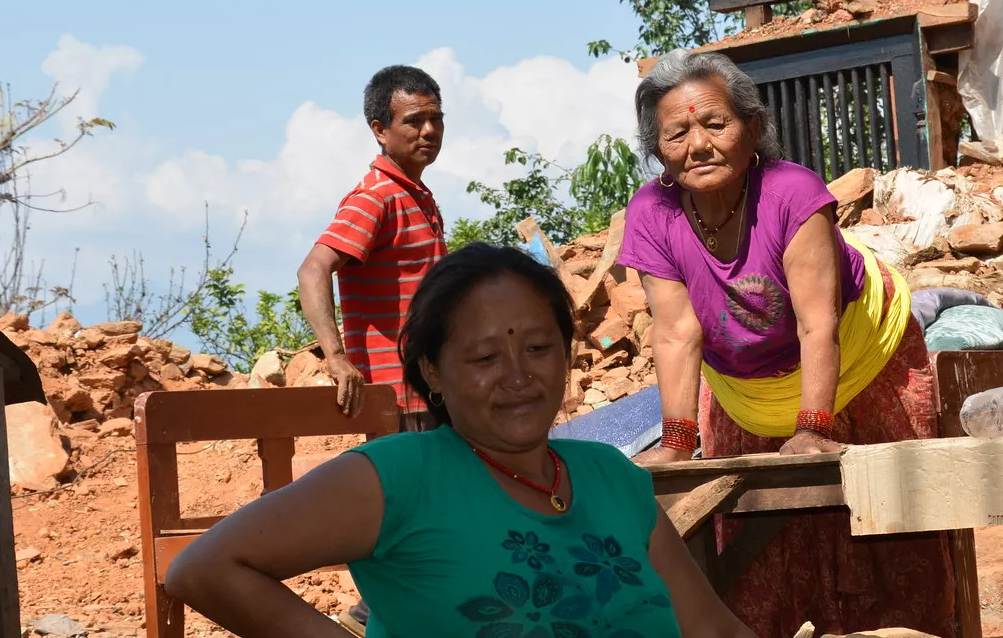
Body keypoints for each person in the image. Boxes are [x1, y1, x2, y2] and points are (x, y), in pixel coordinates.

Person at [166, 244, 756, 638]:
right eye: (483, 357)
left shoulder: (610, 476)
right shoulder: (401, 476)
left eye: (538, 347)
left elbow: (716, 631)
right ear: (431, 373)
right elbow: (204, 568)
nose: (519, 375)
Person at [618, 49, 955, 637]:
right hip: (744, 383)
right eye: (677, 133)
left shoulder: (793, 192)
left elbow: (816, 323)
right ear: (658, 152)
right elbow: (676, 331)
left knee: (891, 516)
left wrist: (813, 425)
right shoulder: (652, 211)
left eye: (715, 124)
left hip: (861, 358)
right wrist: (676, 444)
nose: (698, 145)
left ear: (753, 127)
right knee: (756, 547)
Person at [296, 65, 448, 433]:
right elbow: (312, 269)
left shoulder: (413, 195)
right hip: (398, 402)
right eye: (414, 121)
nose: (429, 131)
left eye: (436, 119)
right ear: (380, 131)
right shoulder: (376, 198)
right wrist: (335, 357)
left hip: (430, 392)